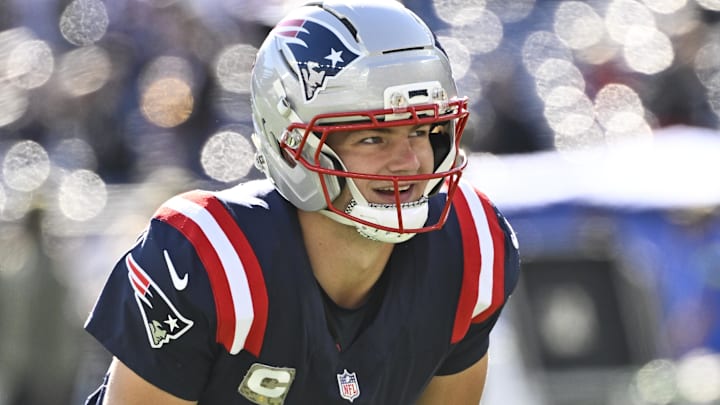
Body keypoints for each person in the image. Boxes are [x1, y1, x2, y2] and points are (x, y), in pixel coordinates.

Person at [83, 0, 521, 403]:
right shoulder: (211, 261)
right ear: (294, 146)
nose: (407, 161)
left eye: (421, 131)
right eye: (373, 137)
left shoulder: (468, 247)